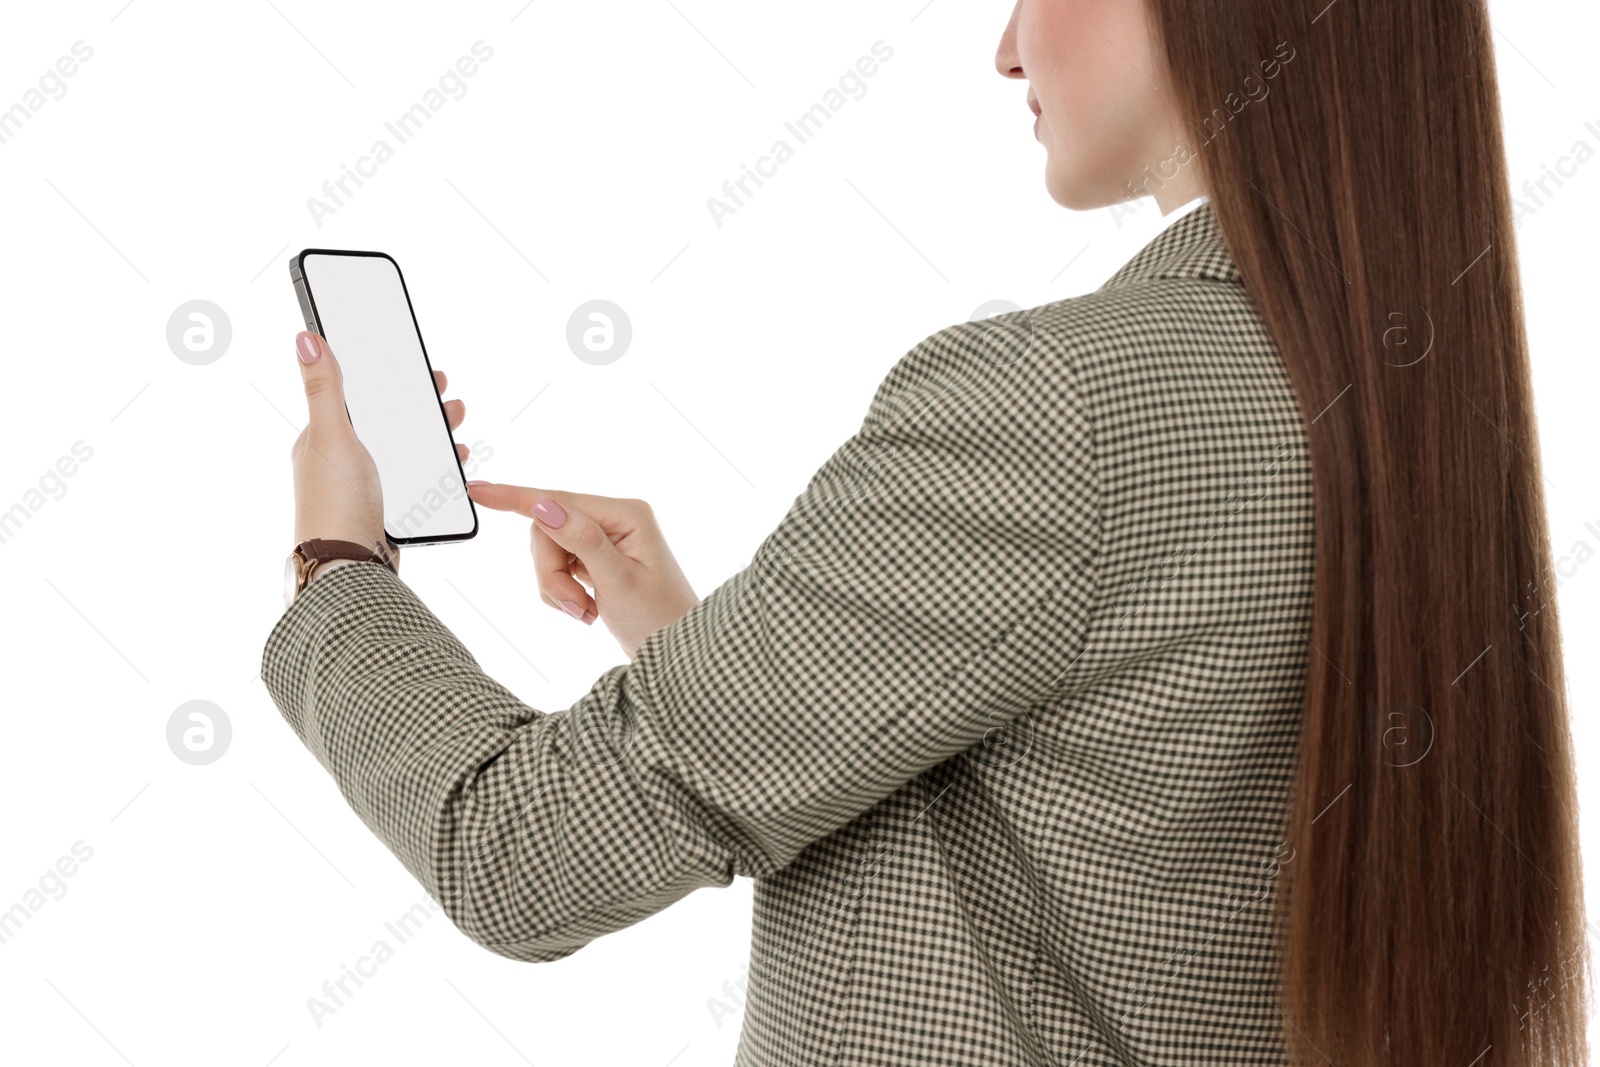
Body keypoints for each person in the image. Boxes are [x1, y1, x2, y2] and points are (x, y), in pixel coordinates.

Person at [261, 1, 1588, 1064]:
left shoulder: (1054, 399)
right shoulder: (1406, 405)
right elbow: (1100, 816)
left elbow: (521, 854)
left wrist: (340, 569)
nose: (1005, 44)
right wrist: (695, 649)